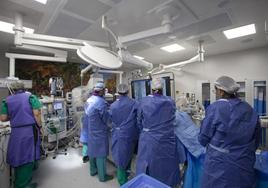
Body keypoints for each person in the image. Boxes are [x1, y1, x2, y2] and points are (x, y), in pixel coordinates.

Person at [198, 76, 260, 188]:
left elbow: (203, 138)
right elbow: (256, 140)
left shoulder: (216, 108)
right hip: (244, 162)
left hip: (220, 165)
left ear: (221, 92)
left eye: (215, 91)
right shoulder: (249, 108)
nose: (215, 93)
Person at [136, 78, 180, 187]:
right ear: (162, 88)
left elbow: (139, 121)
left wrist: (146, 129)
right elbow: (173, 118)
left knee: (149, 165)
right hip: (167, 139)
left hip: (150, 139)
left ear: (151, 89)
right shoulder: (170, 101)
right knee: (167, 165)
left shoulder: (144, 101)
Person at [0, 80, 42, 188]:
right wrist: (40, 127)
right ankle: (23, 185)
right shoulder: (31, 98)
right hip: (29, 132)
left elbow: (3, 118)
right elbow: (37, 114)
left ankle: (18, 182)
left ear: (13, 90)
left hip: (16, 132)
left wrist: (15, 118)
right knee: (28, 157)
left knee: (18, 156)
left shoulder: (6, 100)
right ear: (24, 88)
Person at [109, 84, 139, 186]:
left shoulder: (113, 106)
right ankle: (126, 178)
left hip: (118, 134)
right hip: (130, 134)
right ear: (128, 91)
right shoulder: (134, 103)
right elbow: (138, 119)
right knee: (129, 155)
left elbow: (111, 120)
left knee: (120, 157)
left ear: (118, 92)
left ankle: (122, 181)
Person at [85, 82, 113, 182]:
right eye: (104, 91)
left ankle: (93, 171)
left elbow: (88, 114)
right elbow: (106, 119)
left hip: (91, 130)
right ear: (101, 91)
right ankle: (102, 176)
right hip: (100, 131)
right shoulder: (101, 102)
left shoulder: (89, 100)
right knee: (101, 154)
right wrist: (112, 125)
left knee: (92, 151)